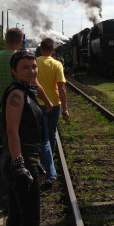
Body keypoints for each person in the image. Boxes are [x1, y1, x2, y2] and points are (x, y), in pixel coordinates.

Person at [0, 28, 52, 211]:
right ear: (21, 40)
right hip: (21, 110)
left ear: (5, 39)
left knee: (3, 147)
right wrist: (47, 101)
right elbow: (35, 84)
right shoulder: (24, 57)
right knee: (13, 150)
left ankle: (1, 184)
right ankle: (4, 193)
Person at [2, 49, 45, 226]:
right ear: (14, 71)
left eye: (34, 66)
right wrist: (21, 165)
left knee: (18, 219)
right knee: (30, 222)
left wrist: (37, 163)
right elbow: (12, 132)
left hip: (26, 158)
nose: (31, 71)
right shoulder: (16, 94)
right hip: (20, 160)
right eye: (25, 68)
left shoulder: (26, 91)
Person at [36, 38, 69, 188]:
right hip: (55, 105)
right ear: (53, 50)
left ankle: (47, 165)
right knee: (50, 135)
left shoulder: (34, 63)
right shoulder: (57, 64)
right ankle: (50, 165)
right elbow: (62, 87)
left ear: (41, 49)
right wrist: (66, 109)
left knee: (42, 138)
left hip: (38, 105)